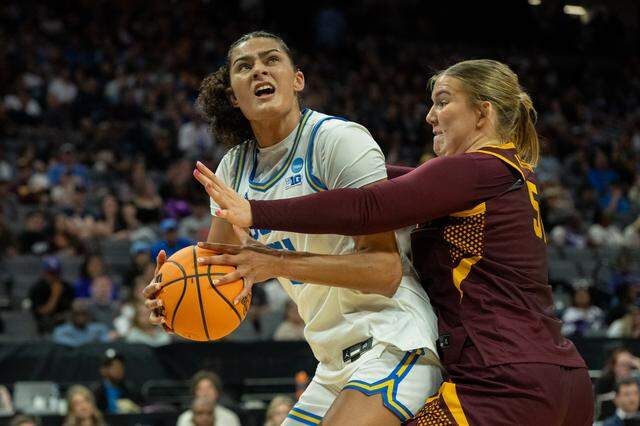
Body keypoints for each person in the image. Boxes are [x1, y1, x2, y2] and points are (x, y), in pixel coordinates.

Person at [199, 59, 594, 425]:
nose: (430, 115)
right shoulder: (496, 175)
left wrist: (257, 211)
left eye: (442, 102)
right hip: (557, 375)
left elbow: (370, 204)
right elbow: (369, 180)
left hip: (502, 380)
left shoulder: (479, 168)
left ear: (482, 113)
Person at [147, 31, 441, 425]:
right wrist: (172, 295)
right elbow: (218, 276)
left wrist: (278, 263)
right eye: (244, 66)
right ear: (233, 95)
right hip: (332, 362)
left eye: (271, 60)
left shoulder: (338, 141)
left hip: (392, 338)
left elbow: (385, 272)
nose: (259, 71)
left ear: (296, 79)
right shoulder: (233, 169)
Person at [29, 256, 75, 334]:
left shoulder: (67, 286)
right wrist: (55, 295)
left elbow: (72, 307)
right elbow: (42, 311)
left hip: (65, 321)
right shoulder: (38, 288)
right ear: (44, 273)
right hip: (45, 323)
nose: (54, 276)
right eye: (51, 273)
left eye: (57, 273)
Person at [92, 349, 141, 414]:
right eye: (114, 367)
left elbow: (142, 410)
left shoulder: (131, 389)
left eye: (120, 366)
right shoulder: (96, 391)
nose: (118, 370)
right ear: (103, 370)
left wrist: (134, 408)